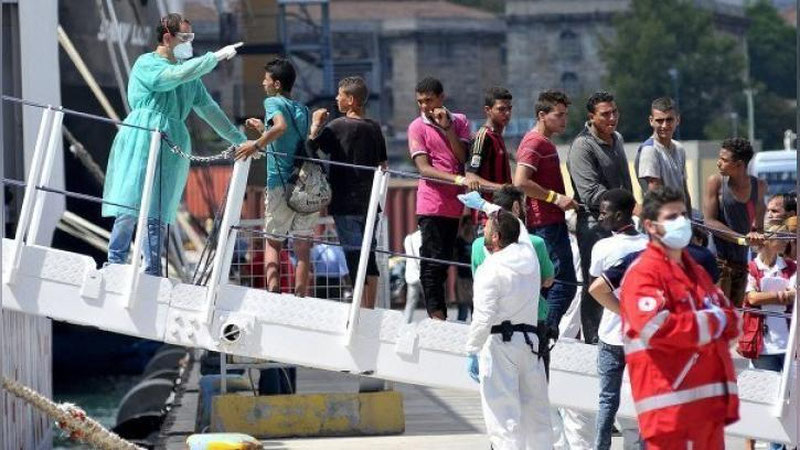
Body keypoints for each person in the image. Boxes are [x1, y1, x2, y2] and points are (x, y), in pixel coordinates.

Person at [104, 13, 250, 275]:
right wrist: (213, 58)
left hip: (172, 138)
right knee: (130, 200)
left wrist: (241, 141)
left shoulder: (190, 76)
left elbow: (210, 110)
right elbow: (170, 77)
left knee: (160, 207)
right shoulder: (147, 64)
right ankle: (115, 260)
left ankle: (152, 268)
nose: (189, 42)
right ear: (167, 37)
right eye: (185, 37)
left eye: (191, 37)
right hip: (143, 133)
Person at [620, 187, 740, 450]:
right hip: (669, 412)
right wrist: (714, 322)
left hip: (708, 412)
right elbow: (655, 328)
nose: (682, 222)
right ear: (651, 226)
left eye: (684, 215)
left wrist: (715, 321)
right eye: (672, 217)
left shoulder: (696, 272)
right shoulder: (643, 274)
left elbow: (733, 321)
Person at [465, 205, 553, 449]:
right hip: (530, 343)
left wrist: (472, 350)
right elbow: (519, 227)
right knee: (537, 415)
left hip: (499, 345)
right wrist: (488, 206)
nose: (482, 229)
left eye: (486, 227)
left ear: (496, 237)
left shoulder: (490, 268)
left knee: (503, 419)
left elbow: (483, 317)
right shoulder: (529, 257)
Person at [306, 76, 387, 308]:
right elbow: (383, 165)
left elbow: (310, 148)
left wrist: (315, 125)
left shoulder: (337, 127)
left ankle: (359, 308)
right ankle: (370, 307)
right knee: (368, 255)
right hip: (369, 203)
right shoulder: (374, 127)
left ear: (350, 100)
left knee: (353, 254)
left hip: (344, 202)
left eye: (340, 95)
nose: (336, 98)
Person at [236, 58, 314, 297]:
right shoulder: (304, 110)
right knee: (302, 248)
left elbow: (280, 127)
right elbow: (291, 141)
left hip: (280, 183)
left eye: (266, 79)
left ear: (277, 84)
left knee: (273, 242)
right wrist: (263, 129)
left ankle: (273, 294)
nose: (263, 83)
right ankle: (300, 297)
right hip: (305, 183)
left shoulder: (272, 102)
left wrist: (255, 144)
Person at [567, 91, 633, 343]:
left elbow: (625, 181)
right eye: (605, 114)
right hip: (594, 224)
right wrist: (626, 203)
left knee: (621, 281)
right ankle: (593, 340)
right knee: (595, 283)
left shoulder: (617, 138)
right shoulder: (582, 146)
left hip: (621, 223)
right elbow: (591, 193)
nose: (612, 118)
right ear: (591, 117)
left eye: (615, 112)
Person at [586, 189, 647, 450]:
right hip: (643, 335)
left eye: (604, 212)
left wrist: (622, 310)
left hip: (611, 334)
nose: (600, 217)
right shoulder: (650, 245)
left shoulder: (602, 247)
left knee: (607, 399)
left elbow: (594, 288)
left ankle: (601, 447)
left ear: (620, 215)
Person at [514, 90, 578, 330]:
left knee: (550, 284)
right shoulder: (535, 142)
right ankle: (544, 333)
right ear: (542, 115)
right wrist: (555, 198)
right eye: (558, 115)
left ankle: (539, 332)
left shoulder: (544, 142)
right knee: (564, 284)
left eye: (565, 115)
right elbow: (521, 181)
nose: (564, 120)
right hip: (545, 224)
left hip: (550, 223)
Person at [408, 77, 472, 320]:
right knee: (432, 263)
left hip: (454, 205)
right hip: (431, 203)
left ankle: (441, 317)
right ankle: (437, 318)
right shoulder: (417, 127)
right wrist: (457, 179)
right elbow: (424, 168)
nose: (424, 106)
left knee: (444, 263)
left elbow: (461, 157)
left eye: (429, 100)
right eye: (420, 102)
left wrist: (448, 129)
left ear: (441, 98)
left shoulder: (460, 121)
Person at [743, 223, 796, 450]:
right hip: (762, 345)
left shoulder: (791, 267)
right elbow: (751, 299)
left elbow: (794, 295)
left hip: (789, 345)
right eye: (781, 236)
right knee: (763, 402)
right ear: (766, 239)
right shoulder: (751, 268)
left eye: (787, 236)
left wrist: (765, 295)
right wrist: (781, 295)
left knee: (790, 401)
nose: (786, 240)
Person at [470, 186, 555, 323]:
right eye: (524, 206)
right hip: (530, 318)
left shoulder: (478, 245)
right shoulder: (535, 243)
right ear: (516, 207)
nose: (526, 209)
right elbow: (548, 280)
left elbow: (477, 278)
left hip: (492, 317)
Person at [703, 137, 766, 306]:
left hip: (741, 264)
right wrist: (740, 238)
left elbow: (759, 227)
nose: (718, 163)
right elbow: (709, 221)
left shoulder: (759, 186)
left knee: (736, 316)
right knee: (719, 313)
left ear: (739, 164)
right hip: (718, 262)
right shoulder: (715, 182)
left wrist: (757, 236)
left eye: (724, 160)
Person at [464, 87, 514, 226]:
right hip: (487, 218)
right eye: (501, 109)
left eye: (509, 109)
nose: (507, 113)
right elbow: (471, 177)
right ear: (488, 110)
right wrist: (503, 188)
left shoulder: (498, 137)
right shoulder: (483, 137)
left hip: (503, 215)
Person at [635, 97, 691, 210]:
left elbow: (684, 190)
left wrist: (688, 216)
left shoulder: (679, 148)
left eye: (669, 120)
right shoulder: (650, 150)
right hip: (663, 215)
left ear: (678, 120)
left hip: (680, 213)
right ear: (651, 121)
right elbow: (655, 194)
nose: (664, 125)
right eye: (659, 120)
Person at [454, 215, 476, 322]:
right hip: (462, 278)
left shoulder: (476, 241)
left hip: (474, 278)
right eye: (467, 224)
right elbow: (454, 257)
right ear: (463, 226)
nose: (469, 226)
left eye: (471, 224)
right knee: (462, 309)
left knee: (475, 310)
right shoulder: (459, 241)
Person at [403, 229, 423, 323]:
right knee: (431, 303)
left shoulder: (408, 238)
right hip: (424, 276)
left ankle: (405, 324)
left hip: (411, 275)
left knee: (410, 304)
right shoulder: (427, 238)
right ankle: (434, 324)